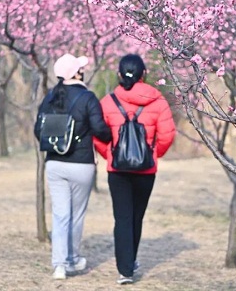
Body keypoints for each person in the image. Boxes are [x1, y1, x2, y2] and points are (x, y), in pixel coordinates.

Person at [93, 54, 176, 285]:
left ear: (119, 74)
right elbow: (168, 135)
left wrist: (109, 153)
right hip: (146, 170)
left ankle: (125, 270)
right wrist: (153, 154)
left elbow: (98, 134)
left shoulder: (108, 102)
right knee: (136, 217)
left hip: (117, 170)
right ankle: (131, 261)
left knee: (122, 218)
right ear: (144, 75)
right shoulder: (158, 102)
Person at [34, 53, 112, 280]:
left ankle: (59, 265)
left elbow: (38, 131)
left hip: (54, 164)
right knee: (76, 216)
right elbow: (100, 129)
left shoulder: (49, 97)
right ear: (77, 73)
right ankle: (72, 259)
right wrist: (110, 137)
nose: (83, 70)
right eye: (80, 68)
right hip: (81, 164)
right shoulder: (88, 98)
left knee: (60, 216)